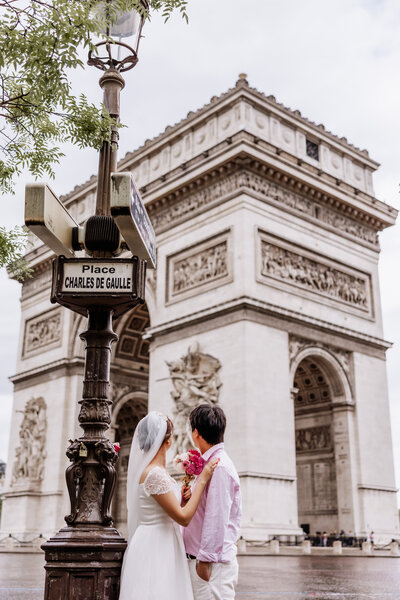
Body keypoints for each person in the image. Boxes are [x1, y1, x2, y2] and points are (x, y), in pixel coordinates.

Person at [119, 411, 219, 600]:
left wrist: (180, 499)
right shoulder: (155, 473)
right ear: (167, 441)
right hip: (157, 542)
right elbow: (183, 518)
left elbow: (165, 509)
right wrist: (203, 479)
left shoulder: (156, 471)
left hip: (159, 538)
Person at [183, 404, 242, 600]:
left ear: (196, 433)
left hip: (211, 566)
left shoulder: (219, 467)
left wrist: (204, 562)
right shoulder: (212, 463)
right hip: (206, 561)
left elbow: (217, 516)